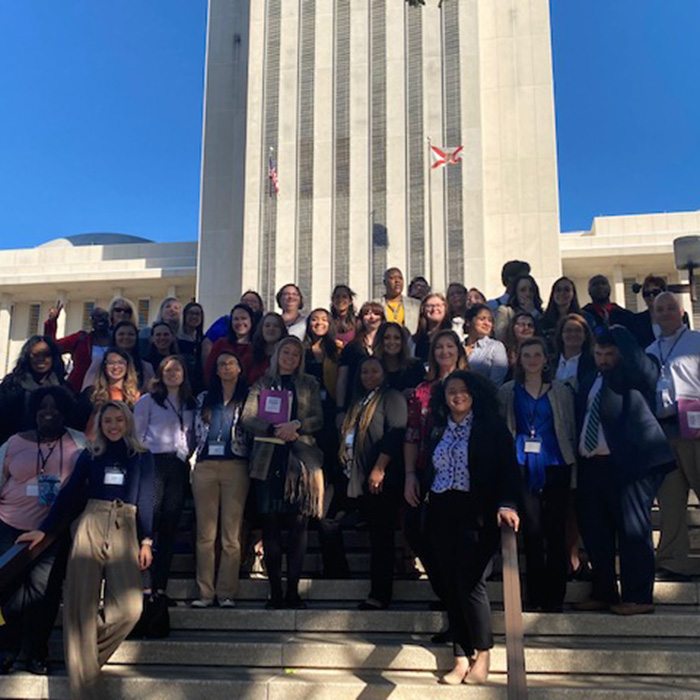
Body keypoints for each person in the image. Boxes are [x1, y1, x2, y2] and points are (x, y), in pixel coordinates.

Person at [18, 401, 153, 699]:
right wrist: (44, 529)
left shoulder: (142, 456)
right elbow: (67, 494)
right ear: (101, 426)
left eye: (119, 420)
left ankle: (82, 656)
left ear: (128, 422)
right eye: (108, 421)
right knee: (81, 606)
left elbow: (145, 500)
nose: (114, 425)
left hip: (125, 525)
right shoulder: (89, 455)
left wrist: (146, 540)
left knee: (130, 609)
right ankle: (85, 690)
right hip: (91, 522)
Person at [427, 371, 520, 685]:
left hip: (477, 512)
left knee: (470, 583)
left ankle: (483, 653)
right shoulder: (438, 428)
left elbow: (509, 468)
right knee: (450, 584)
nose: (457, 396)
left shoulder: (491, 428)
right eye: (451, 391)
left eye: (463, 390)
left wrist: (507, 503)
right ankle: (460, 656)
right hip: (442, 509)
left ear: (475, 393)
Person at [574, 327, 675, 614]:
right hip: (593, 466)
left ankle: (638, 596)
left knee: (633, 531)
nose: (603, 359)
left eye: (609, 354)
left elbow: (644, 368)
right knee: (596, 532)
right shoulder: (590, 379)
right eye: (599, 353)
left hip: (629, 465)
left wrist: (621, 335)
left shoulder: (633, 374)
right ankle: (604, 591)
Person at [0, 387, 85, 675]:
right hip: (8, 525)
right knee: (8, 592)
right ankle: (6, 649)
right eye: (42, 408)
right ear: (34, 411)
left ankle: (37, 651)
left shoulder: (78, 442)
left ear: (64, 412)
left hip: (51, 532)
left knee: (43, 594)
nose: (48, 412)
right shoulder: (14, 442)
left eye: (54, 408)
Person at [242, 336, 324, 609]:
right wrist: (274, 429)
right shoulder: (263, 383)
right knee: (272, 525)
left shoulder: (309, 383)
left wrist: (296, 425)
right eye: (285, 352)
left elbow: (318, 418)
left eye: (295, 353)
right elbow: (248, 417)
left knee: (299, 525)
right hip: (268, 458)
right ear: (277, 354)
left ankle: (293, 591)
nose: (290, 357)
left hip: (301, 458)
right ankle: (275, 590)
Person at [499, 338, 576, 611]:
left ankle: (555, 597)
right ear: (519, 360)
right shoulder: (508, 391)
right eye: (526, 355)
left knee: (555, 531)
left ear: (546, 359)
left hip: (555, 463)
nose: (532, 359)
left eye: (537, 355)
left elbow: (570, 426)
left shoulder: (561, 391)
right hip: (521, 463)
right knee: (531, 531)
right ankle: (535, 595)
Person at [331, 357, 408, 609]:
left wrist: (380, 467)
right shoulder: (359, 401)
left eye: (374, 370)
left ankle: (380, 594)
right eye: (364, 371)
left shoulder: (392, 397)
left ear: (384, 373)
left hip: (381, 478)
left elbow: (396, 434)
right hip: (358, 477)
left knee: (382, 538)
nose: (368, 375)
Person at [404, 330, 467, 621]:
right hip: (426, 470)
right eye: (439, 347)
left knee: (454, 543)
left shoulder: (471, 385)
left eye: (450, 346)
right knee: (416, 532)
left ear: (459, 350)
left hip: (461, 474)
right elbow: (413, 433)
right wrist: (409, 475)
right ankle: (446, 594)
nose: (444, 351)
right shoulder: (422, 390)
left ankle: (458, 605)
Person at [646, 292, 700, 581]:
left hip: (696, 427)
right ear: (653, 314)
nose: (665, 313)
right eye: (659, 309)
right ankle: (673, 561)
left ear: (681, 312)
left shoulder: (696, 341)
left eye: (670, 308)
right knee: (670, 500)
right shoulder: (650, 350)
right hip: (664, 429)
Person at [191, 352, 250, 607]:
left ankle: (226, 592)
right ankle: (205, 592)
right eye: (221, 365)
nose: (226, 368)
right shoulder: (204, 398)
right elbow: (194, 431)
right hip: (205, 465)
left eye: (231, 363)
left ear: (239, 368)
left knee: (231, 534)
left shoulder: (247, 399)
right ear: (215, 371)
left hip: (235, 465)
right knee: (205, 534)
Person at [134, 355, 195, 599]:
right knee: (149, 524)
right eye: (168, 370)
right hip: (153, 463)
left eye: (177, 369)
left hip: (178, 465)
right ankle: (145, 584)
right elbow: (137, 435)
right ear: (160, 374)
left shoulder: (189, 403)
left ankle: (160, 587)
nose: (173, 374)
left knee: (170, 525)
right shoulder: (148, 401)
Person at [0, 336, 67, 446]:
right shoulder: (11, 386)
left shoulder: (63, 388)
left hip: (52, 450)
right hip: (15, 447)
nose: (41, 359)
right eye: (36, 355)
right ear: (27, 357)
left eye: (46, 355)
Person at [303, 309, 341, 482]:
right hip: (307, 411)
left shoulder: (338, 349)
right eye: (314, 319)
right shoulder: (301, 349)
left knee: (330, 459)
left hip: (331, 408)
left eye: (324, 319)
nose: (319, 323)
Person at [44, 304, 111, 392]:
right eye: (96, 317)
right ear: (91, 322)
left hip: (107, 391)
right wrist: (51, 323)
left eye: (103, 316)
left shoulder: (116, 341)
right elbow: (53, 347)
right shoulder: (81, 339)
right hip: (77, 390)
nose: (100, 319)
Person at [77, 348, 142, 434]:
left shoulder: (136, 396)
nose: (115, 367)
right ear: (104, 367)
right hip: (93, 443)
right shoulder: (91, 393)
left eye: (121, 362)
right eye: (111, 363)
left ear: (127, 366)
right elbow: (78, 423)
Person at [336, 301, 386, 410]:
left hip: (383, 401)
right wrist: (339, 409)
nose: (372, 317)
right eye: (367, 313)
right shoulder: (351, 347)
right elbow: (342, 380)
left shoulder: (388, 344)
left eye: (376, 313)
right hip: (355, 401)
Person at [82, 321, 155, 392]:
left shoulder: (146, 367)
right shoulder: (100, 362)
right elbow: (87, 391)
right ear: (114, 337)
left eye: (131, 334)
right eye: (121, 334)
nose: (126, 337)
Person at [204, 304, 256, 385]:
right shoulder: (221, 344)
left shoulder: (257, 347)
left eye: (244, 318)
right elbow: (209, 371)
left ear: (251, 320)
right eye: (236, 319)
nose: (240, 322)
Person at [463, 304, 508, 387]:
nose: (487, 323)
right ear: (468, 322)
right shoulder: (457, 345)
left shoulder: (496, 347)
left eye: (490, 320)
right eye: (482, 319)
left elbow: (496, 382)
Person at [374, 322, 425, 393]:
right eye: (387, 338)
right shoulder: (372, 369)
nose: (392, 342)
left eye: (396, 338)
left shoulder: (416, 367)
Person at [541, 277, 586, 351]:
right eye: (558, 290)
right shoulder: (543, 321)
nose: (562, 293)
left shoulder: (585, 318)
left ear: (573, 294)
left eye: (567, 290)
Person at [494, 274, 544, 341]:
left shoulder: (539, 313)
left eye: (531, 290)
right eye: (523, 290)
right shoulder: (506, 312)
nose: (528, 294)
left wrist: (533, 312)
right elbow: (500, 337)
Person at [553, 313, 595, 391]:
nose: (573, 334)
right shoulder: (550, 363)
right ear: (561, 335)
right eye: (568, 330)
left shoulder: (592, 364)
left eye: (578, 330)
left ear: (585, 335)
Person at [248, 312, 289, 385]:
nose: (271, 328)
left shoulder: (288, 356)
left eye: (276, 326)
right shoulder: (250, 354)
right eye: (267, 325)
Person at [380, 267, 421, 334]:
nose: (397, 281)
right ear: (385, 282)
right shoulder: (376, 304)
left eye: (400, 278)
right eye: (392, 278)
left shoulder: (416, 305)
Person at [412, 293, 451, 362]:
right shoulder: (414, 340)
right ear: (423, 310)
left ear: (445, 308)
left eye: (438, 305)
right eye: (430, 306)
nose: (434, 309)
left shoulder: (454, 334)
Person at [177, 302, 206, 395]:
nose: (194, 317)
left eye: (197, 314)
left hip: (197, 384)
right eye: (191, 313)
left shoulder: (203, 340)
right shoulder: (176, 338)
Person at [633, 275, 667, 348]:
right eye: (647, 294)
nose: (651, 296)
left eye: (655, 292)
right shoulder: (637, 320)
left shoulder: (678, 316)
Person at [503, 311, 538, 378]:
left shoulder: (540, 351)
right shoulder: (503, 350)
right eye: (522, 325)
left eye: (530, 325)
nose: (526, 328)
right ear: (513, 327)